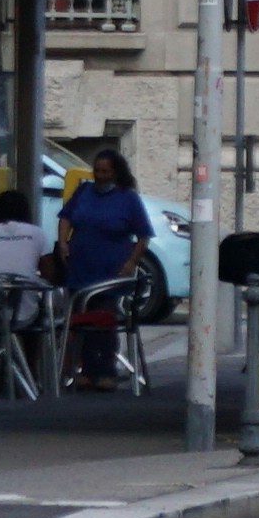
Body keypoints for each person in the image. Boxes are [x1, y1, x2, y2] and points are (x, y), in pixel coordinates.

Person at [50, 147, 154, 387]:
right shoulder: (84, 191)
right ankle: (85, 370)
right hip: (81, 267)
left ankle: (106, 370)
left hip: (110, 270)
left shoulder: (128, 198)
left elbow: (143, 236)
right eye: (97, 170)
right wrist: (64, 242)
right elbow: (65, 217)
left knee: (104, 319)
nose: (100, 175)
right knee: (82, 319)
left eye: (105, 171)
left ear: (115, 172)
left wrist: (131, 262)